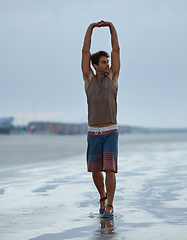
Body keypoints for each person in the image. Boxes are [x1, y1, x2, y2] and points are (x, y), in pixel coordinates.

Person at [81, 20, 120, 218]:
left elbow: (116, 50)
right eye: (104, 62)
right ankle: (103, 197)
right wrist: (91, 28)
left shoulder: (113, 77)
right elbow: (85, 52)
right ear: (95, 65)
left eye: (107, 62)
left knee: (109, 170)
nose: (108, 64)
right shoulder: (88, 79)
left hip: (111, 130)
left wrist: (111, 27)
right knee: (96, 171)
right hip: (93, 131)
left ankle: (110, 206)